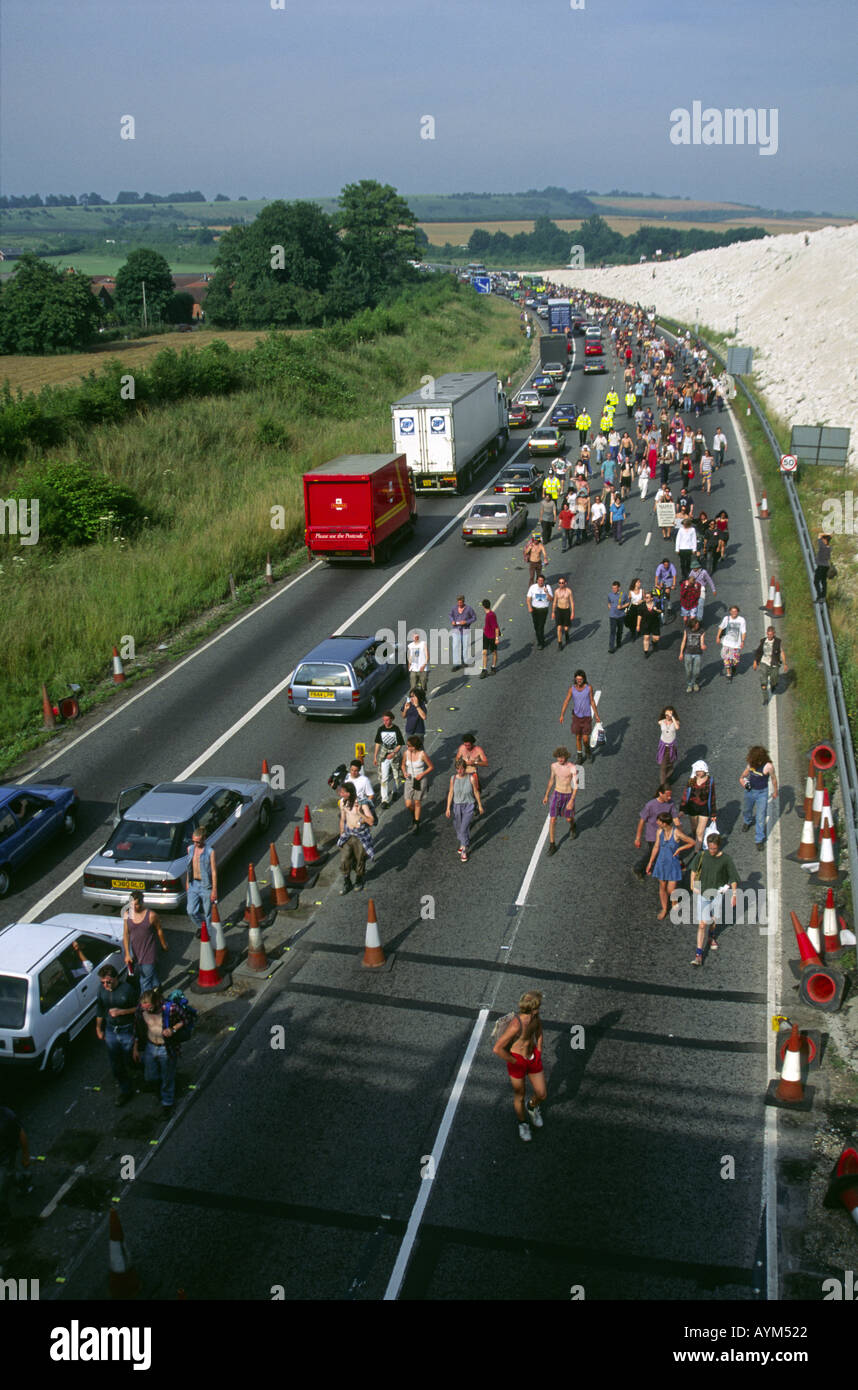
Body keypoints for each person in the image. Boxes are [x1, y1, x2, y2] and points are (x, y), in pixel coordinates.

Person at [492, 991, 546, 1143]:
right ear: (532, 1008)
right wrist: (514, 1061)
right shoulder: (516, 1024)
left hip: (532, 1057)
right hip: (518, 1060)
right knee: (519, 1095)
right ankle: (523, 1124)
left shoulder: (535, 1017)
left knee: (542, 1094)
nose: (540, 1009)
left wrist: (539, 1049)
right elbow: (497, 1048)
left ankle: (532, 1107)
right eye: (538, 1006)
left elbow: (539, 1031)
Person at [132, 987, 190, 1117]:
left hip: (166, 1048)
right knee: (150, 1076)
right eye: (144, 1008)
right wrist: (135, 1047)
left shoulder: (171, 1008)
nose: (147, 1010)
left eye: (150, 1008)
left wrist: (173, 1029)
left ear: (157, 1002)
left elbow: (186, 1019)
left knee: (167, 1077)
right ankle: (161, 1089)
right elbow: (136, 1028)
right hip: (150, 1047)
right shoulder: (141, 1010)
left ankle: (167, 1103)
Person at [689, 835, 739, 966]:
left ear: (719, 846)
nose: (712, 850)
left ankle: (711, 936)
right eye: (710, 848)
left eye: (714, 848)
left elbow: (733, 878)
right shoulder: (701, 855)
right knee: (702, 924)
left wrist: (734, 895)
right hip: (703, 894)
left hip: (717, 894)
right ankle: (698, 954)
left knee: (714, 919)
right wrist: (692, 885)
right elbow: (694, 871)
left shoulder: (726, 859)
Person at [95, 964, 140, 1106]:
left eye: (109, 981)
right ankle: (125, 1090)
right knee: (115, 1063)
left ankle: (142, 1073)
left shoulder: (127, 990)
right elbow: (100, 1009)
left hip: (126, 1029)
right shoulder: (101, 990)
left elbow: (139, 1008)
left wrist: (121, 1012)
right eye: (103, 982)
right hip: (111, 1030)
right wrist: (98, 1028)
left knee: (130, 1058)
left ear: (116, 978)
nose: (106, 985)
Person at [647, 812, 697, 920]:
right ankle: (664, 909)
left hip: (673, 864)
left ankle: (674, 902)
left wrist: (679, 849)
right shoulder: (659, 831)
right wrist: (650, 862)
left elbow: (692, 842)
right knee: (662, 887)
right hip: (661, 863)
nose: (657, 822)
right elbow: (656, 846)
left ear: (664, 823)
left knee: (671, 890)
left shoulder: (676, 833)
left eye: (659, 821)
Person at [122, 890, 168, 993]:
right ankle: (156, 985)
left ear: (142, 902)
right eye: (131, 905)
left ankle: (144, 1003)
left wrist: (164, 945)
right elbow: (126, 933)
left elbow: (159, 930)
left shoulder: (151, 915)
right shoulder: (127, 914)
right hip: (135, 952)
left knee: (144, 981)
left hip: (149, 953)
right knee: (149, 973)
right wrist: (127, 954)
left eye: (136, 904)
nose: (134, 907)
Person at [633, 785, 682, 879]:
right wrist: (638, 838)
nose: (670, 797)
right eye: (667, 795)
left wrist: (679, 832)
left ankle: (653, 866)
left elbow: (675, 819)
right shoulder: (650, 805)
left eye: (670, 795)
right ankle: (639, 868)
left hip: (665, 833)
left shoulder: (670, 803)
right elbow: (642, 821)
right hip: (652, 834)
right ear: (660, 793)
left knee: (660, 851)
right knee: (654, 851)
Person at [336, 781, 375, 893]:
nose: (340, 794)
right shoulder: (343, 803)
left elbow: (371, 821)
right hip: (348, 835)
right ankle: (347, 882)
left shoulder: (361, 803)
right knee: (344, 859)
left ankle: (359, 879)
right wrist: (341, 833)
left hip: (360, 836)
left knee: (360, 859)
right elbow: (342, 819)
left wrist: (360, 813)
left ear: (349, 793)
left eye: (343, 792)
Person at [740, 745, 779, 849]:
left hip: (762, 793)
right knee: (747, 809)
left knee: (761, 816)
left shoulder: (768, 766)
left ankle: (759, 839)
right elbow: (743, 776)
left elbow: (773, 779)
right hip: (750, 791)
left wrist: (775, 791)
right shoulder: (751, 764)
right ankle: (747, 821)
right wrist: (743, 782)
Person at [445, 757, 484, 862]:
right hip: (457, 805)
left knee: (464, 827)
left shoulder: (471, 778)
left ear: (465, 768)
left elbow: (476, 792)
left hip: (469, 805)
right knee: (458, 826)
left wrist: (479, 805)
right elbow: (450, 793)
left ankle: (464, 848)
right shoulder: (453, 778)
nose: (460, 771)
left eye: (462, 769)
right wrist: (448, 808)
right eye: (458, 769)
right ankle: (463, 841)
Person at [560, 669, 601, 765]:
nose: (579, 681)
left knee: (585, 739)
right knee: (578, 737)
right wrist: (562, 714)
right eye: (577, 680)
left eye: (580, 680)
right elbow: (566, 701)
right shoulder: (572, 689)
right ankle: (579, 756)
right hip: (576, 717)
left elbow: (592, 701)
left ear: (584, 679)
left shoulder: (589, 688)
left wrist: (597, 715)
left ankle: (587, 751)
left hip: (586, 717)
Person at [0, 1106, 31, 1233]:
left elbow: (20, 1134)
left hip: (5, 1157)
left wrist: (25, 1155)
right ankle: (22, 1179)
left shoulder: (6, 1117)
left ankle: (5, 1224)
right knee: (8, 1177)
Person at [543, 746, 579, 854]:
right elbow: (551, 780)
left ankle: (573, 826)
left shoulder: (572, 767)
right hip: (556, 794)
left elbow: (576, 786)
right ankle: (552, 844)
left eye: (562, 757)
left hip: (568, 796)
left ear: (566, 757)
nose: (560, 759)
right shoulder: (553, 766)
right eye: (558, 757)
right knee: (553, 819)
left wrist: (572, 800)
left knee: (568, 819)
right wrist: (546, 795)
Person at [186, 827, 217, 940]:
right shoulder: (190, 849)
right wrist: (187, 882)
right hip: (193, 884)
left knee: (208, 913)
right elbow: (189, 867)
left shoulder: (210, 852)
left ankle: (209, 936)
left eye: (198, 842)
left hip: (205, 885)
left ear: (204, 839)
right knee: (191, 911)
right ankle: (202, 926)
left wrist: (214, 890)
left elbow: (213, 871)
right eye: (194, 841)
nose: (196, 844)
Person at [681, 760, 717, 849]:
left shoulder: (710, 781)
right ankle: (696, 841)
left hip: (704, 808)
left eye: (700, 771)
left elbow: (712, 796)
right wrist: (682, 808)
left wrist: (713, 813)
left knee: (700, 832)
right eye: (697, 771)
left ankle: (697, 852)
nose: (698, 773)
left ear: (705, 770)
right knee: (694, 829)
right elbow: (686, 793)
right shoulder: (692, 780)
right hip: (692, 807)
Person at [373, 710, 405, 807]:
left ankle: (395, 791)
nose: (385, 722)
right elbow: (378, 743)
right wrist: (375, 756)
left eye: (387, 720)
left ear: (392, 719)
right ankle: (384, 800)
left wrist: (393, 753)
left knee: (396, 775)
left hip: (394, 753)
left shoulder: (396, 729)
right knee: (384, 777)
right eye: (384, 720)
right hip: (384, 754)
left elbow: (400, 744)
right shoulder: (381, 729)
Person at [403, 735, 433, 834]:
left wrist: (422, 774)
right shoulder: (406, 753)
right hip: (409, 780)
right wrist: (404, 772)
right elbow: (403, 765)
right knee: (408, 804)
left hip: (420, 780)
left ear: (415, 746)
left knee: (417, 802)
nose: (407, 747)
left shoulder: (422, 754)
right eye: (407, 745)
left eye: (409, 746)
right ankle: (414, 815)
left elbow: (431, 767)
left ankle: (416, 822)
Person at [753, 625, 788, 704]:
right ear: (766, 633)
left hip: (774, 664)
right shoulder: (763, 641)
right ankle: (765, 698)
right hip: (764, 662)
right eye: (768, 634)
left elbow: (782, 653)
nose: (769, 636)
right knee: (763, 682)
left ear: (774, 634)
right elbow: (758, 652)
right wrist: (755, 661)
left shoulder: (778, 642)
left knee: (774, 680)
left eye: (771, 634)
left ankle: (773, 685)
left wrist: (785, 664)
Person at [717, 605, 746, 681]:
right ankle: (728, 673)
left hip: (736, 644)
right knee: (726, 659)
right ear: (730, 612)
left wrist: (742, 641)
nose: (734, 613)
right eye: (732, 611)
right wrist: (718, 637)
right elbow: (721, 628)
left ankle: (734, 666)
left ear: (738, 612)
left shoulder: (741, 620)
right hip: (726, 643)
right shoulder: (726, 619)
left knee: (735, 661)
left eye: (735, 611)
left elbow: (743, 632)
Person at [449, 594, 477, 670]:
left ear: (463, 602)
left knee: (465, 646)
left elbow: (474, 618)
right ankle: (456, 664)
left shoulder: (469, 609)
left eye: (461, 603)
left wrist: (466, 622)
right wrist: (452, 621)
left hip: (465, 630)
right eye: (458, 603)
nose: (459, 604)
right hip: (456, 630)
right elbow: (450, 615)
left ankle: (465, 661)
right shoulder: (454, 608)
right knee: (455, 647)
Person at [678, 617, 706, 692]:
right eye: (696, 625)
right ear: (692, 626)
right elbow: (684, 641)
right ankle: (689, 684)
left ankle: (694, 683)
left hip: (698, 653)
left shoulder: (701, 631)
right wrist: (681, 653)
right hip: (688, 653)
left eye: (698, 624)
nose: (698, 626)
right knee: (688, 671)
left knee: (696, 671)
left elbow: (702, 641)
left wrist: (703, 645)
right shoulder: (687, 631)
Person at [527, 574, 553, 650]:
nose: (540, 582)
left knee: (540, 626)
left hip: (543, 609)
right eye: (539, 580)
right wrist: (529, 607)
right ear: (537, 581)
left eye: (542, 581)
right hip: (535, 609)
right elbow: (528, 598)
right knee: (536, 626)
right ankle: (540, 637)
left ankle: (541, 642)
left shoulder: (548, 587)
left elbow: (551, 599)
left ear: (544, 581)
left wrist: (547, 592)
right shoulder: (533, 587)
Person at [656, 707, 680, 787]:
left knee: (670, 764)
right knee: (663, 767)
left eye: (670, 715)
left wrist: (672, 717)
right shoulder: (661, 722)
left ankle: (669, 775)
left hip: (671, 747)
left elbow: (677, 727)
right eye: (666, 715)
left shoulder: (675, 722)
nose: (668, 716)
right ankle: (663, 786)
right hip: (663, 746)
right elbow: (659, 721)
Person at [347, 759, 377, 825]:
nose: (353, 772)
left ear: (359, 770)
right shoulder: (346, 777)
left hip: (360, 803)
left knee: (370, 820)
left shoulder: (364, 780)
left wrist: (365, 805)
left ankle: (359, 823)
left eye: (355, 771)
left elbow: (371, 795)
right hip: (348, 803)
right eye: (351, 770)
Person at [552, 576, 574, 649]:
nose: (561, 584)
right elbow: (554, 602)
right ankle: (560, 643)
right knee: (559, 627)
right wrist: (553, 612)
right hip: (559, 610)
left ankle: (567, 634)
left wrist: (572, 612)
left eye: (562, 583)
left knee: (566, 628)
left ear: (565, 583)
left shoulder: (569, 591)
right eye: (559, 583)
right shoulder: (556, 591)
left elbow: (572, 602)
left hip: (566, 610)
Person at [637, 592, 662, 657]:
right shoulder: (642, 605)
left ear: (651, 598)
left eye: (647, 597)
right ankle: (646, 652)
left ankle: (654, 642)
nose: (645, 598)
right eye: (645, 597)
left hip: (655, 624)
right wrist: (638, 625)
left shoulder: (656, 604)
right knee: (646, 637)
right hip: (645, 623)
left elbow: (661, 611)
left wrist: (656, 610)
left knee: (656, 638)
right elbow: (639, 615)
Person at [480, 598, 500, 678]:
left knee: (494, 652)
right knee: (484, 652)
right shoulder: (488, 614)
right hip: (486, 635)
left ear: (483, 606)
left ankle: (493, 667)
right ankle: (484, 669)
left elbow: (496, 627)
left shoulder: (491, 615)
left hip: (492, 637)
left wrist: (496, 638)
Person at [406, 631, 429, 699]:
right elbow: (410, 656)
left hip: (422, 668)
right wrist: (409, 666)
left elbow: (427, 656)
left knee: (423, 685)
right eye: (414, 636)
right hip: (414, 668)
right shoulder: (410, 646)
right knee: (413, 686)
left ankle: (423, 696)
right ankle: (412, 699)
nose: (416, 638)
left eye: (417, 636)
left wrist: (424, 665)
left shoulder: (423, 644)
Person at [675, 515, 698, 580]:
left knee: (688, 562)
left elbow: (694, 539)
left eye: (684, 524)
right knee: (682, 563)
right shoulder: (681, 530)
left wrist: (694, 549)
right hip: (682, 548)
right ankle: (683, 575)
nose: (684, 525)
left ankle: (688, 573)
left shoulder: (692, 530)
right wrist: (677, 549)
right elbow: (678, 539)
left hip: (689, 548)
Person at [607, 580, 627, 653]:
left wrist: (622, 606)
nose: (614, 590)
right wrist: (609, 606)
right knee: (612, 632)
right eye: (613, 588)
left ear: (619, 588)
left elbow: (628, 603)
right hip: (612, 617)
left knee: (620, 631)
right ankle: (611, 648)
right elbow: (609, 602)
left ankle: (618, 642)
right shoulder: (610, 595)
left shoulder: (623, 595)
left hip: (621, 616)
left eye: (615, 588)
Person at [624, 577, 645, 641]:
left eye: (640, 582)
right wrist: (626, 608)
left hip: (640, 607)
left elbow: (646, 598)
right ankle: (633, 632)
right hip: (633, 607)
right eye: (638, 582)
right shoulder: (631, 592)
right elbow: (628, 600)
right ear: (635, 583)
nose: (640, 583)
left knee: (639, 620)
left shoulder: (642, 591)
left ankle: (639, 630)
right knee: (631, 621)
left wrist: (642, 601)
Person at [814, 532, 832, 602]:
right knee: (823, 581)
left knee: (816, 581)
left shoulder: (822, 546)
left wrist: (826, 534)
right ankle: (823, 596)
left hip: (821, 566)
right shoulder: (829, 548)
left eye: (823, 539)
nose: (822, 540)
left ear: (825, 541)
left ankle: (820, 596)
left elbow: (819, 534)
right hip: (826, 566)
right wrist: (828, 535)